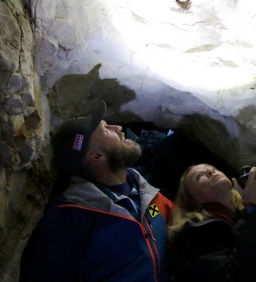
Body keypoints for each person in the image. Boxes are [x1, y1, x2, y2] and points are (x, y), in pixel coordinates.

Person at [22, 100, 173, 282]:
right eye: (106, 129)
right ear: (95, 156)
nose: (118, 127)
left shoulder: (149, 195)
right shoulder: (69, 218)